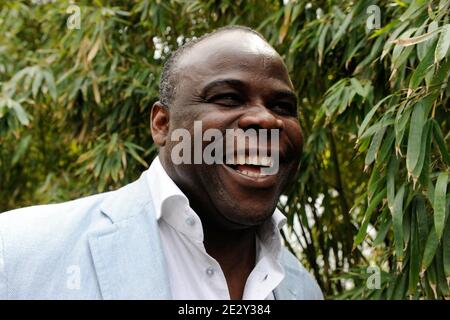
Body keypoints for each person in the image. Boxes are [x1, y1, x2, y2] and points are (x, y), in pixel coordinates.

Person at [0, 26, 323, 300]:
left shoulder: (303, 288)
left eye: (283, 106)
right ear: (162, 125)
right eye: (228, 98)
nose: (267, 120)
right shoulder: (17, 250)